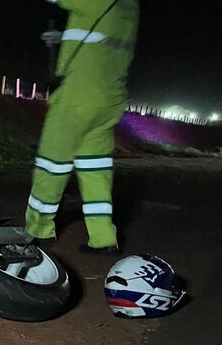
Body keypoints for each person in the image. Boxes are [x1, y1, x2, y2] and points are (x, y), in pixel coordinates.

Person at [25, 0, 140, 254]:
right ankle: (103, 237)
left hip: (79, 97)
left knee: (51, 165)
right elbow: (99, 37)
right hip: (110, 98)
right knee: (95, 169)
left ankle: (38, 230)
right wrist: (63, 36)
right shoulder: (129, 7)